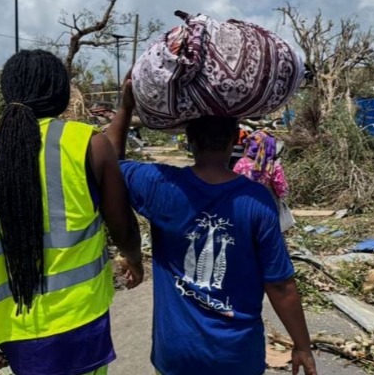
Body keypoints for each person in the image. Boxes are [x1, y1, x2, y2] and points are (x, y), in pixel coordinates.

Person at [0, 50, 144, 375]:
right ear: (61, 95)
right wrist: (133, 259)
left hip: (7, 325)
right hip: (78, 315)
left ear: (7, 94)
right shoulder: (86, 142)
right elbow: (122, 226)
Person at [108, 78, 317, 375]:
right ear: (235, 139)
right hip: (236, 356)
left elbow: (110, 165)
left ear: (188, 139)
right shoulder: (255, 200)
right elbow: (280, 284)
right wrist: (302, 345)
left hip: (177, 354)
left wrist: (126, 105)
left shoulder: (160, 185)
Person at [233, 131, 292, 231]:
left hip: (244, 206)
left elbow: (233, 184)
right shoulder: (273, 166)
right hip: (268, 206)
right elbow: (282, 189)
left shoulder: (241, 163)